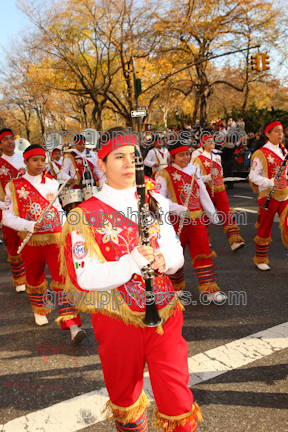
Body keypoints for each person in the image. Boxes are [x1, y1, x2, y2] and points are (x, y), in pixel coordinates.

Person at [59, 129, 202, 432]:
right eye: (118, 157)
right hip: (116, 320)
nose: (129, 164)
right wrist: (130, 263)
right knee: (125, 397)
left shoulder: (156, 202)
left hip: (165, 313)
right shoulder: (83, 215)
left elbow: (175, 249)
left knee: (177, 395)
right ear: (101, 164)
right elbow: (83, 276)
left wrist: (167, 261)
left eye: (134, 157)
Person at [3, 144, 86, 343]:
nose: (40, 164)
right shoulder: (14, 186)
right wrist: (28, 224)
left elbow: (58, 210)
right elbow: (7, 217)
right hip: (31, 241)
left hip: (55, 239)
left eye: (42, 160)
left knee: (62, 280)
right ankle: (40, 310)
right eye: (35, 160)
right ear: (26, 161)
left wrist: (69, 229)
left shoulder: (52, 183)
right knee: (34, 278)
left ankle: (73, 325)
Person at [155, 141, 225, 301]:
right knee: (176, 253)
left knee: (203, 251)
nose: (186, 157)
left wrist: (212, 214)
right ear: (172, 157)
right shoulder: (163, 174)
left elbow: (202, 194)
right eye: (181, 155)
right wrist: (178, 209)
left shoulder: (195, 170)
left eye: (187, 154)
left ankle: (210, 289)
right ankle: (175, 287)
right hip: (175, 220)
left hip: (197, 218)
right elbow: (159, 199)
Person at [193, 135, 245, 252]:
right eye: (208, 141)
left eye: (212, 141)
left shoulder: (217, 156)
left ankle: (234, 240)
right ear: (202, 144)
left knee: (226, 213)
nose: (211, 143)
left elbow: (220, 172)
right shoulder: (198, 159)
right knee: (205, 216)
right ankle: (203, 239)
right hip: (207, 190)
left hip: (220, 189)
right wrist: (207, 177)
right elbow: (196, 177)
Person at [249, 120, 288, 271]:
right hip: (268, 195)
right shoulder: (260, 153)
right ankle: (260, 258)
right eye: (276, 131)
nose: (280, 134)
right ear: (268, 134)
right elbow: (253, 176)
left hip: (284, 194)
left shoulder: (285, 152)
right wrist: (271, 181)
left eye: (281, 131)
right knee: (265, 227)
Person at [0, 128, 26, 292]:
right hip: (7, 209)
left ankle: (33, 276)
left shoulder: (24, 159)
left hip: (27, 206)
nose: (10, 142)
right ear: (1, 143)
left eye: (12, 138)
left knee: (30, 243)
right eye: (6, 139)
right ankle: (19, 280)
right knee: (14, 244)